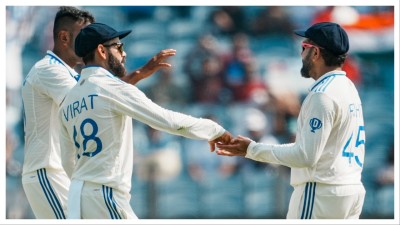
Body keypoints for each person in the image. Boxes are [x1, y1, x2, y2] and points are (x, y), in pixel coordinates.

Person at [58, 22, 232, 219]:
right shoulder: (114, 89)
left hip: (77, 198)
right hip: (105, 194)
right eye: (118, 47)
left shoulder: (68, 101)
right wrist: (215, 130)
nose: (124, 54)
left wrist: (139, 74)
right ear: (101, 51)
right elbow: (170, 122)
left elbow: (67, 161)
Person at [21, 6, 175, 219]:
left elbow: (99, 96)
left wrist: (137, 76)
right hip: (47, 171)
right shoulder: (48, 69)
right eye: (83, 35)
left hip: (66, 174)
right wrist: (138, 75)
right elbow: (96, 99)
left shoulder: (71, 74)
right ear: (64, 37)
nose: (89, 42)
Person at [216, 22, 366, 219]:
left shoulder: (322, 94)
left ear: (315, 53)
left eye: (304, 47)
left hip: (321, 192)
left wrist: (251, 149)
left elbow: (305, 156)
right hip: (351, 189)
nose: (301, 54)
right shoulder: (348, 86)